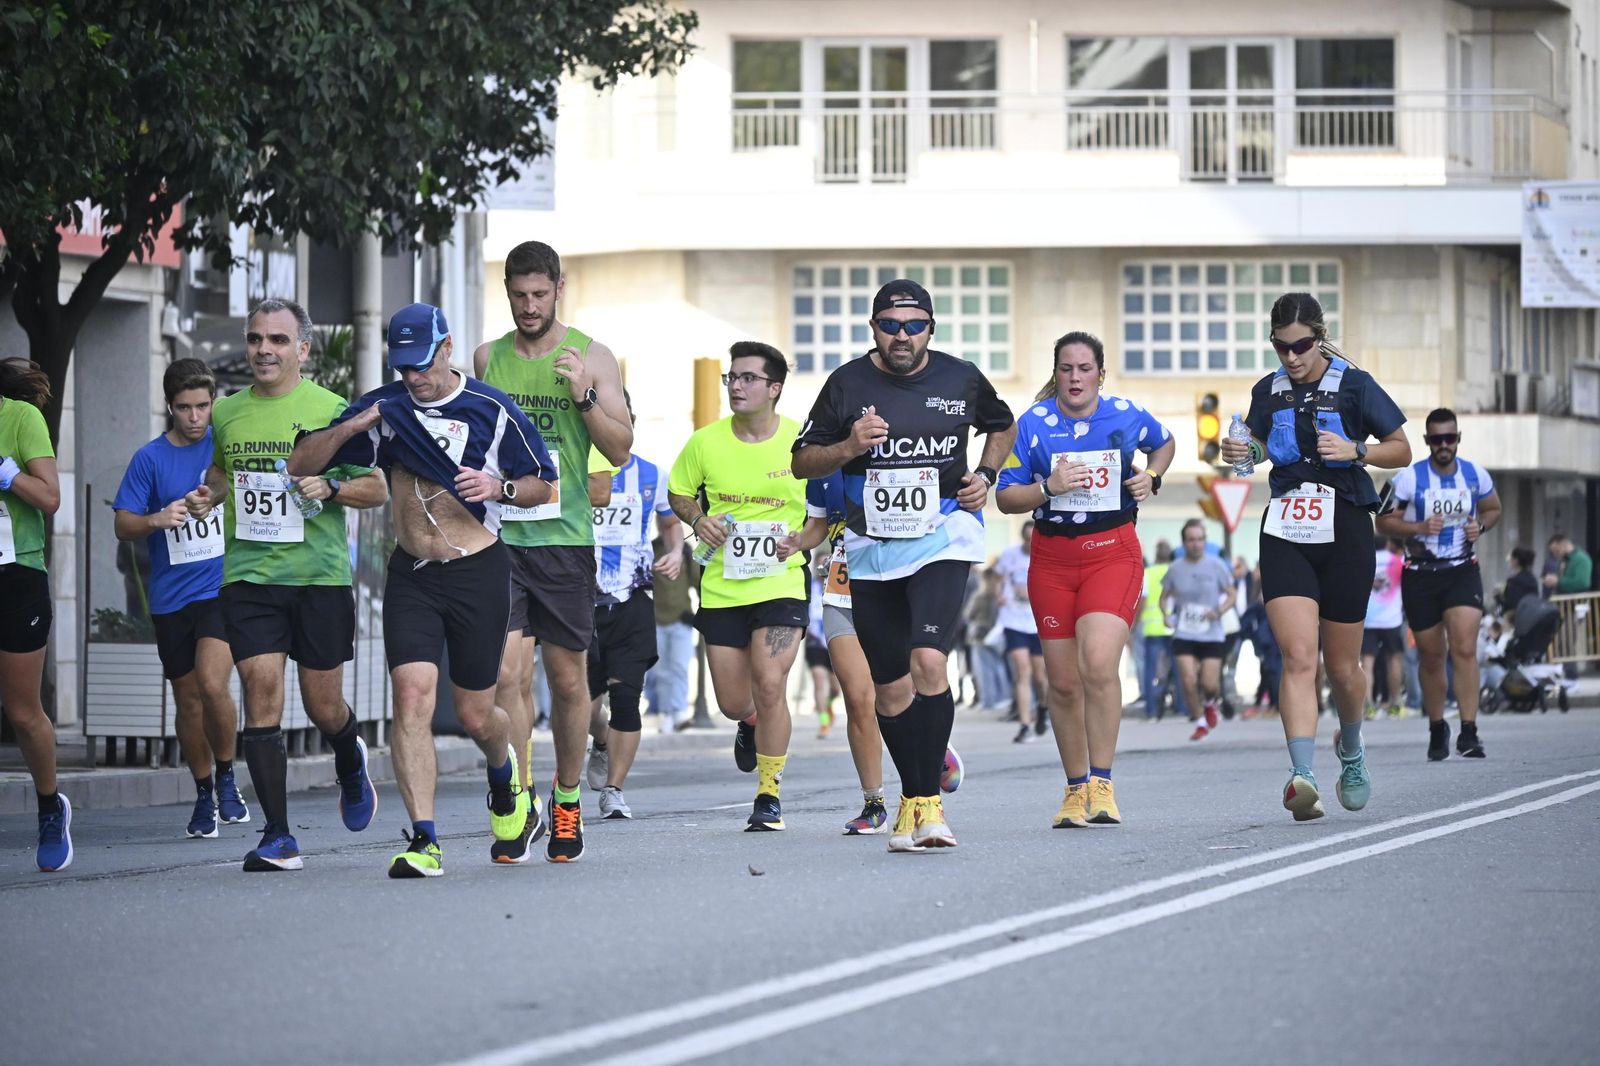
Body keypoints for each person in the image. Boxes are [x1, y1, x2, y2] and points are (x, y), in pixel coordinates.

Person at [289, 303, 555, 876]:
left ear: (447, 348)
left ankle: (505, 774)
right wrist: (349, 429)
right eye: (403, 366)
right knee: (410, 698)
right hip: (411, 574)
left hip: (477, 572)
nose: (414, 377)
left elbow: (546, 486)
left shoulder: (490, 408)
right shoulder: (384, 407)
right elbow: (298, 462)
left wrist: (499, 485)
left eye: (423, 364)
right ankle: (425, 840)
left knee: (478, 713)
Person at [793, 278, 1015, 851]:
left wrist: (985, 477)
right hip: (870, 550)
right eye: (891, 325)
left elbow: (1001, 422)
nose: (902, 336)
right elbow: (801, 461)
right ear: (874, 329)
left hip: (943, 537)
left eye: (914, 326)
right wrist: (848, 445)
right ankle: (915, 798)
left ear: (930, 330)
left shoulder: (959, 377)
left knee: (927, 663)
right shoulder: (846, 384)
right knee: (888, 691)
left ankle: (927, 805)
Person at [185, 298, 389, 871]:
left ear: (302, 349)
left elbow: (376, 490)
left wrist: (332, 488)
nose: (263, 350)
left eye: (277, 340)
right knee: (260, 692)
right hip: (249, 575)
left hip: (318, 578)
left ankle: (349, 756)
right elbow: (223, 471)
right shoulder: (227, 413)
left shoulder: (331, 409)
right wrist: (211, 492)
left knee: (323, 706)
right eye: (255, 339)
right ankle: (278, 836)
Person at [1220, 292, 1410, 822]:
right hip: (1285, 526)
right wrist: (1243, 453)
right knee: (1299, 656)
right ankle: (1301, 776)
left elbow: (1401, 446)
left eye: (1301, 345)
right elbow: (1255, 448)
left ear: (1319, 337)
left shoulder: (1354, 384)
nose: (1291, 357)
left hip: (1346, 525)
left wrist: (1358, 451)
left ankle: (1350, 751)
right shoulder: (1269, 391)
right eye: (1281, 347)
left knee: (1343, 667)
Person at [475, 240, 632, 864]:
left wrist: (585, 397)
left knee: (569, 680)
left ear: (559, 288)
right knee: (505, 675)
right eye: (518, 296)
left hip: (563, 541)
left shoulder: (591, 355)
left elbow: (620, 449)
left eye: (540, 295)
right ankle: (519, 798)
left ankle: (567, 801)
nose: (529, 306)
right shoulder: (489, 358)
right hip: (499, 536)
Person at [996, 330, 1174, 828]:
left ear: (1100, 373)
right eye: (1066, 369)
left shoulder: (1124, 413)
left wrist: (1152, 478)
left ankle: (1103, 782)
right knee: (1064, 684)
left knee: (1098, 663)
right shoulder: (1031, 426)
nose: (1075, 377)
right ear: (1056, 374)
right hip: (1051, 559)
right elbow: (1005, 498)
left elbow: (1164, 444)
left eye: (1084, 368)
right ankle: (1075, 789)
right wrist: (1047, 487)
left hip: (1111, 551)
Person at [669, 341, 807, 831]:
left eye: (748, 378)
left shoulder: (801, 443)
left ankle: (769, 794)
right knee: (734, 702)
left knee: (771, 683)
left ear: (774, 388)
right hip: (723, 586)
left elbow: (824, 508)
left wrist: (804, 539)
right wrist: (698, 519)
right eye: (732, 377)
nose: (737, 386)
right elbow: (679, 492)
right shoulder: (705, 442)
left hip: (782, 582)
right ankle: (748, 723)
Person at [112, 359, 250, 838]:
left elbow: (242, 485)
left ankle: (229, 776)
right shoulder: (149, 459)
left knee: (214, 685)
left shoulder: (226, 445)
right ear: (169, 406)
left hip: (221, 587)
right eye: (185, 408)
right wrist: (156, 518)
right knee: (188, 699)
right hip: (171, 597)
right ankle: (203, 791)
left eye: (204, 407)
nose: (196, 417)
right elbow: (122, 523)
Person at [791, 470, 965, 835]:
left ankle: (925, 759)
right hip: (843, 591)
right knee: (858, 697)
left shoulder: (896, 454)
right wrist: (796, 542)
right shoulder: (822, 468)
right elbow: (817, 527)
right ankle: (874, 803)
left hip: (893, 585)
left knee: (900, 687)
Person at [1378, 408, 1502, 760]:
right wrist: (1417, 529)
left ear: (1458, 439)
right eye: (1437, 439)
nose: (1444, 445)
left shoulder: (1475, 474)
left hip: (1461, 570)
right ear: (1427, 441)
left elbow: (1493, 508)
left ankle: (1469, 731)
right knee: (1431, 656)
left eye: (1450, 439)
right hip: (1420, 574)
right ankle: (1437, 727)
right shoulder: (1408, 479)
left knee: (1464, 648)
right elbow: (1383, 521)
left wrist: (1481, 526)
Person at [585, 395, 683, 820]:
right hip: (579, 602)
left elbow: (670, 521)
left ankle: (614, 790)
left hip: (632, 599)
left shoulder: (651, 473)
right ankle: (600, 740)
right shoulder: (573, 471)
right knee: (583, 704)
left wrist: (676, 552)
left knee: (627, 699)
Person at [0, 358, 70, 871]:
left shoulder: (19, 418)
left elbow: (49, 498)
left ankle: (50, 807)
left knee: (22, 711)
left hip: (15, 576)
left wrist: (6, 473)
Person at [1160, 519, 1235, 742]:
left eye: (1200, 539)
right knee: (1188, 678)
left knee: (1209, 684)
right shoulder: (1174, 568)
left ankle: (1211, 703)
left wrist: (1219, 611)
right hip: (1184, 631)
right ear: (1184, 543)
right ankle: (1201, 719)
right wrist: (1166, 615)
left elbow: (1231, 595)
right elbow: (1164, 598)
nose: (1196, 544)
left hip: (1211, 632)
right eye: (1191, 540)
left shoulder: (1217, 565)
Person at [994, 521, 1047, 742]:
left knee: (1039, 675)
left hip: (1037, 622)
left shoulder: (1046, 555)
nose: (1029, 542)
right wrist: (998, 595)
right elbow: (997, 579)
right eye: (1026, 538)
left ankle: (1043, 707)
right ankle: (1025, 724)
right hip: (1013, 620)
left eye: (1032, 538)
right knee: (1022, 671)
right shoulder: (1010, 555)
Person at [644, 534, 695, 730]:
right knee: (661, 670)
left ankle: (679, 711)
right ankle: (666, 712)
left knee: (680, 666)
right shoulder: (651, 548)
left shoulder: (686, 550)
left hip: (681, 617)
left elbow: (697, 581)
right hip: (656, 618)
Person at [1133, 540, 1186, 721]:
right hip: (1173, 626)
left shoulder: (1147, 573)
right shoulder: (1177, 571)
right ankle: (1181, 708)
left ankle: (1151, 710)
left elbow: (1143, 601)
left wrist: (1134, 625)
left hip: (1152, 629)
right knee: (1179, 669)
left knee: (1150, 670)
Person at [1361, 535, 1407, 720]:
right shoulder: (1397, 561)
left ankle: (1369, 706)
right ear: (1387, 544)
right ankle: (1395, 704)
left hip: (1368, 619)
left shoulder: (1364, 562)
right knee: (1394, 660)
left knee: (1367, 663)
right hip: (1392, 620)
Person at [1499, 546, 1540, 619]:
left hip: (1516, 619)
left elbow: (1511, 603)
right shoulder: (1533, 579)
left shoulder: (1513, 581)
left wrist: (1498, 598)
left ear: (1515, 560)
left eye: (1511, 558)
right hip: (1532, 617)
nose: (1509, 561)